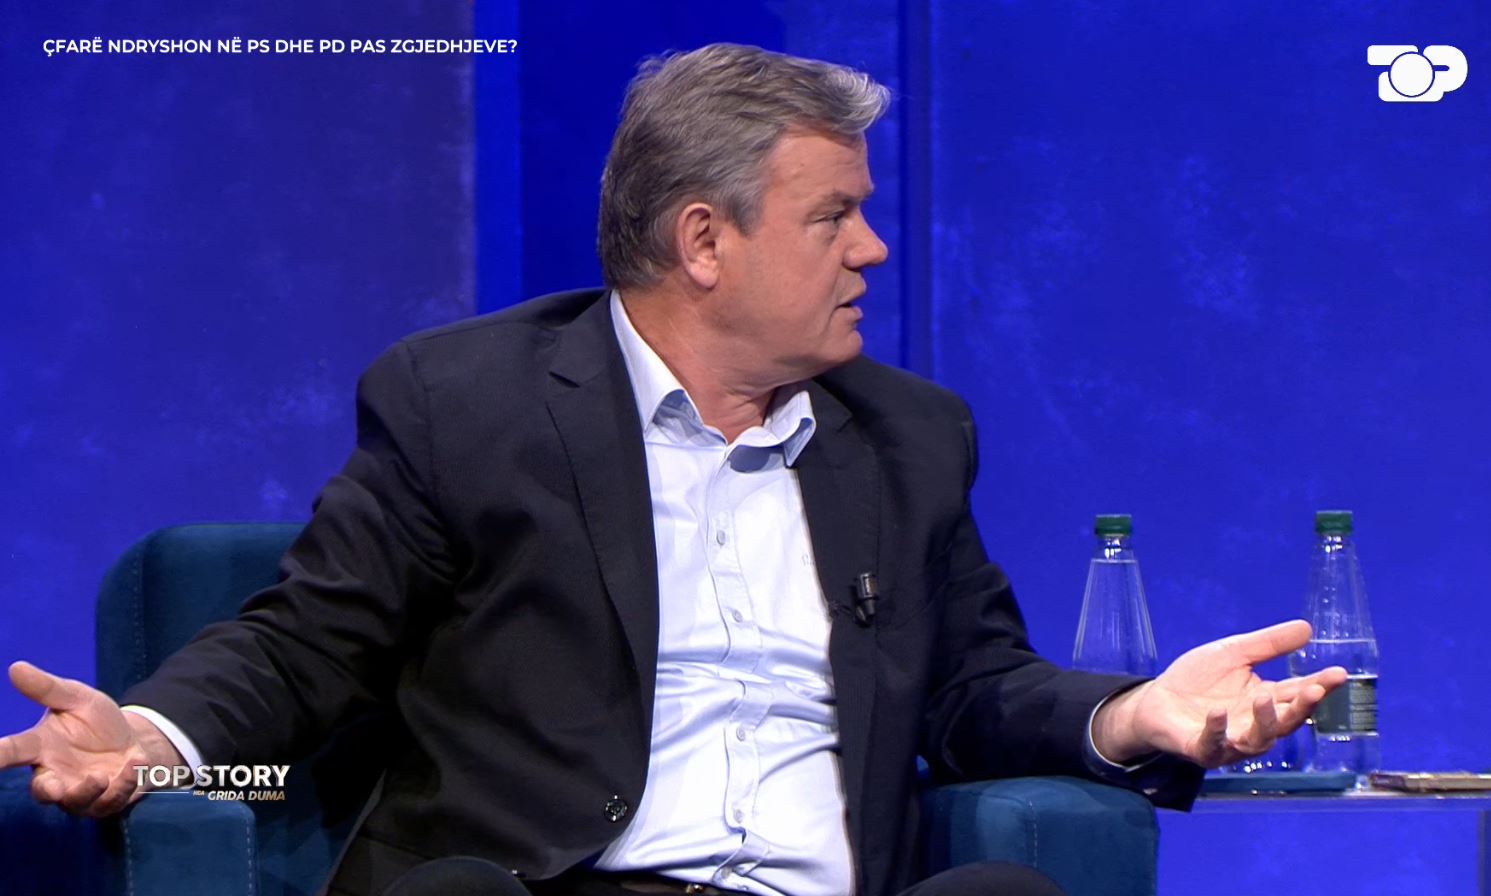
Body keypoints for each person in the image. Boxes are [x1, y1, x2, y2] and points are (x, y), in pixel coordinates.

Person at [0, 43, 1345, 896]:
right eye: (834, 216)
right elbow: (309, 644)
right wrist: (152, 738)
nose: (873, 250)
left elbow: (972, 691)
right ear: (705, 242)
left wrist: (1135, 716)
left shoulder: (908, 437)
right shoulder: (466, 403)